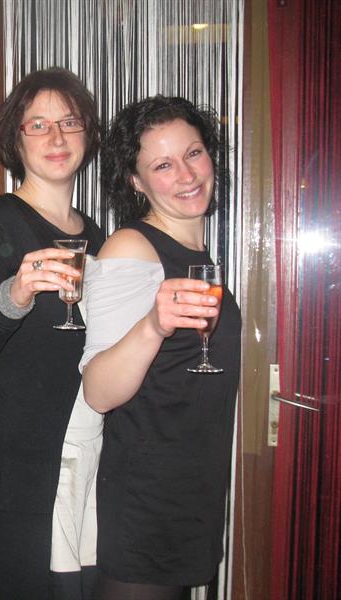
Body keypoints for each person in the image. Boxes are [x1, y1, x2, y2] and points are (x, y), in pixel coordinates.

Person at [0, 67, 105, 600]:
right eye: (38, 124)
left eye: (69, 121)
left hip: (85, 451)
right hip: (18, 462)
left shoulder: (98, 235)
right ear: (16, 140)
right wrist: (15, 294)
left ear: (87, 133)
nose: (56, 136)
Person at [82, 96, 241, 599]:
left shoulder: (195, 253)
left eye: (193, 153)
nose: (187, 175)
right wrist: (153, 326)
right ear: (136, 181)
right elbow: (98, 390)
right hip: (147, 500)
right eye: (163, 165)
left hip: (192, 490)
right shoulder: (132, 247)